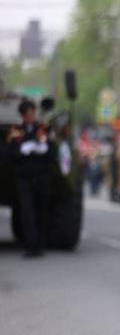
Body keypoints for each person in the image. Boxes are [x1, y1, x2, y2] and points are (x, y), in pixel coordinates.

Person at [7, 100, 54, 257]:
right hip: (24, 177)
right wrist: (23, 150)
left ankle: (40, 244)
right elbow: (11, 151)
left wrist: (43, 148)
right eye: (28, 114)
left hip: (41, 175)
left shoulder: (42, 128)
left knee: (41, 210)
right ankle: (30, 245)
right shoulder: (16, 130)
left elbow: (50, 148)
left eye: (32, 113)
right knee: (27, 211)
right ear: (22, 116)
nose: (31, 117)